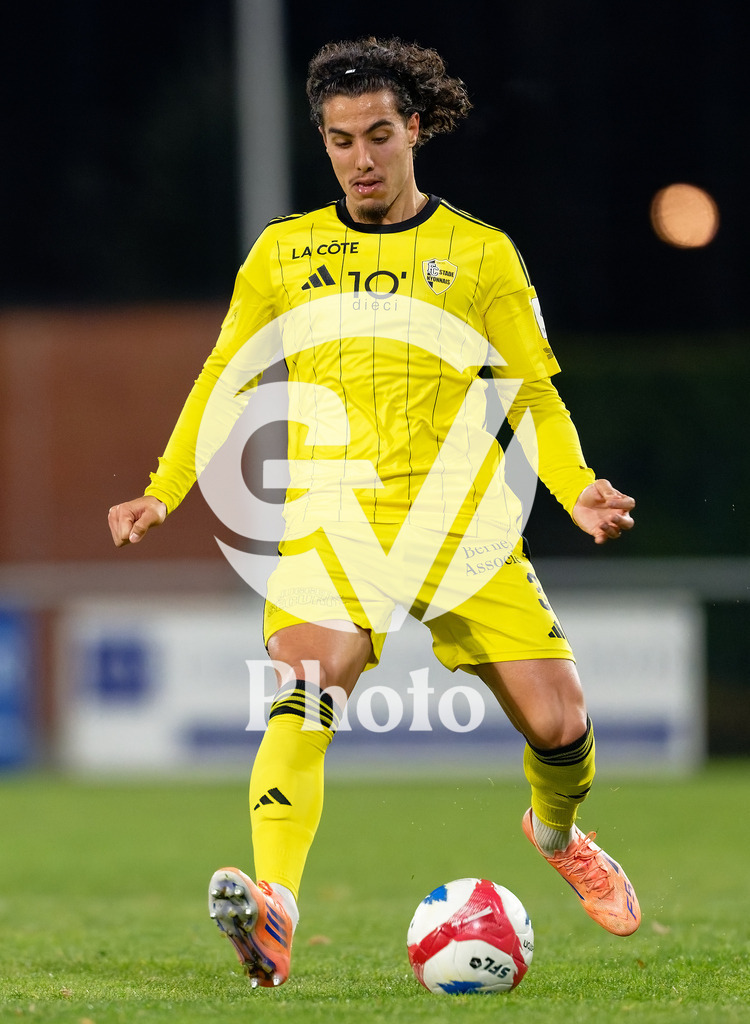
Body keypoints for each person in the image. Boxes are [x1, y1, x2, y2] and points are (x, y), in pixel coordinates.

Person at [108, 36, 640, 989]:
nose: (360, 157)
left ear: (415, 131)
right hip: (333, 526)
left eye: (379, 135)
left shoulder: (479, 255)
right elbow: (222, 379)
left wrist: (578, 486)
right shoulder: (284, 253)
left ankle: (557, 833)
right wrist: (164, 488)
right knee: (305, 687)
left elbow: (532, 394)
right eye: (340, 139)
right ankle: (275, 909)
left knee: (560, 724)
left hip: (461, 525)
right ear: (325, 143)